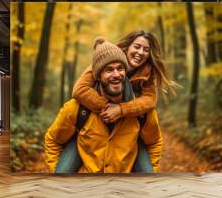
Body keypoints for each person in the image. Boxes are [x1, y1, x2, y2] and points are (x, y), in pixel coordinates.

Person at [44, 38, 163, 173]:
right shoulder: (76, 109)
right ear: (98, 76)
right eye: (109, 70)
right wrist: (57, 175)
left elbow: (154, 143)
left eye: (120, 69)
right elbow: (53, 141)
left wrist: (142, 179)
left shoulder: (143, 112)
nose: (116, 74)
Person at [72, 31, 177, 124]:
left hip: (128, 125)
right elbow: (79, 89)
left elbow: (150, 100)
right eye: (137, 46)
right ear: (128, 47)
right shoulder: (108, 59)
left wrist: (121, 109)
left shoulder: (147, 72)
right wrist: (107, 107)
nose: (140, 52)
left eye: (146, 50)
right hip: (96, 117)